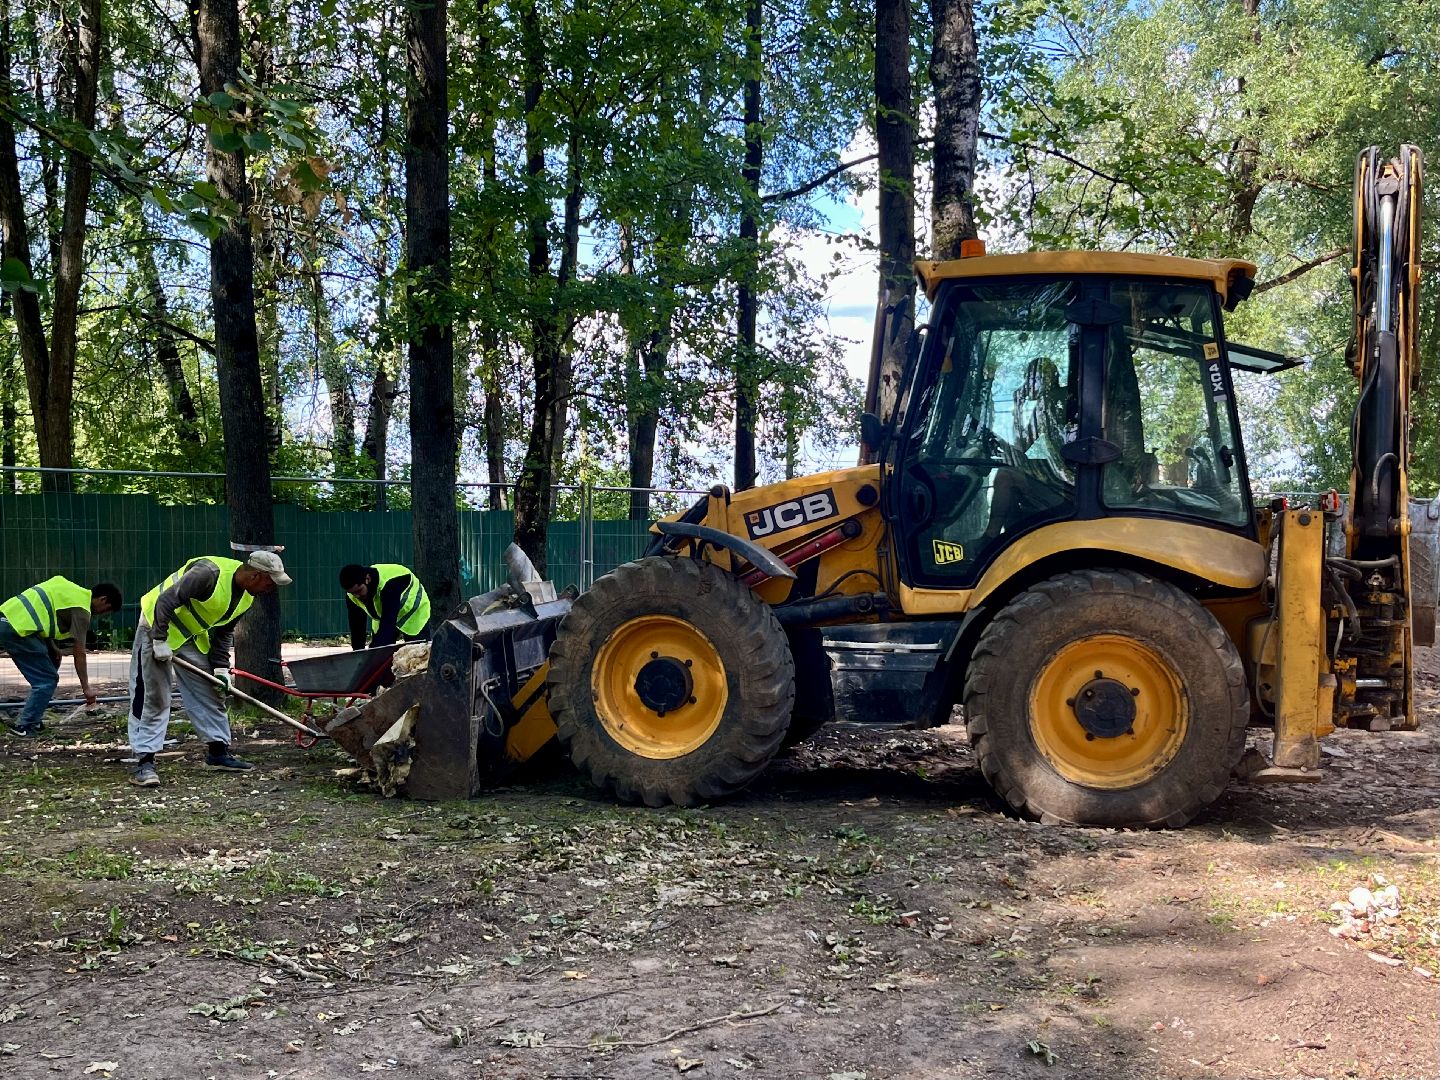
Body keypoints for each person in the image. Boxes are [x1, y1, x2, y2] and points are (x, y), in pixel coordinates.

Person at [128, 551, 292, 787]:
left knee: (211, 690)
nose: (271, 588)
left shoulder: (247, 597)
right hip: (156, 625)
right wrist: (159, 639)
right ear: (257, 574)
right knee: (153, 695)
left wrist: (220, 668)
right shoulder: (209, 573)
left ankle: (218, 752)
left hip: (190, 635)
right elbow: (165, 600)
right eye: (270, 582)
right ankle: (144, 762)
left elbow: (224, 633)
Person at [0, 578, 121, 735]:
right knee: (47, 680)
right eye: (106, 609)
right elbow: (79, 652)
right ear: (102, 599)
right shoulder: (82, 611)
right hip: (18, 630)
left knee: (50, 664)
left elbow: (44, 613)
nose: (102, 614)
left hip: (7, 617)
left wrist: (53, 648)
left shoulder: (69, 589)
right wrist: (86, 689)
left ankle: (34, 717)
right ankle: (25, 726)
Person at [983, 356, 1076, 540]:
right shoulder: (1052, 401)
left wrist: (1017, 410)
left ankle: (990, 536)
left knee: (1005, 476)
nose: (1026, 384)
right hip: (1057, 479)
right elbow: (1028, 449)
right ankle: (1010, 539)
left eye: (1030, 379)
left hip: (1063, 487)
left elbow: (1023, 448)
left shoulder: (1050, 403)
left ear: (1042, 380)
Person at [339, 563, 431, 651]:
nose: (357, 596)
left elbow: (388, 624)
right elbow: (357, 628)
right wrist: (358, 657)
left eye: (359, 591)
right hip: (383, 614)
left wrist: (375, 654)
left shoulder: (390, 584)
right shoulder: (352, 596)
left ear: (367, 579)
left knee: (417, 654)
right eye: (353, 593)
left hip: (412, 612)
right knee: (378, 653)